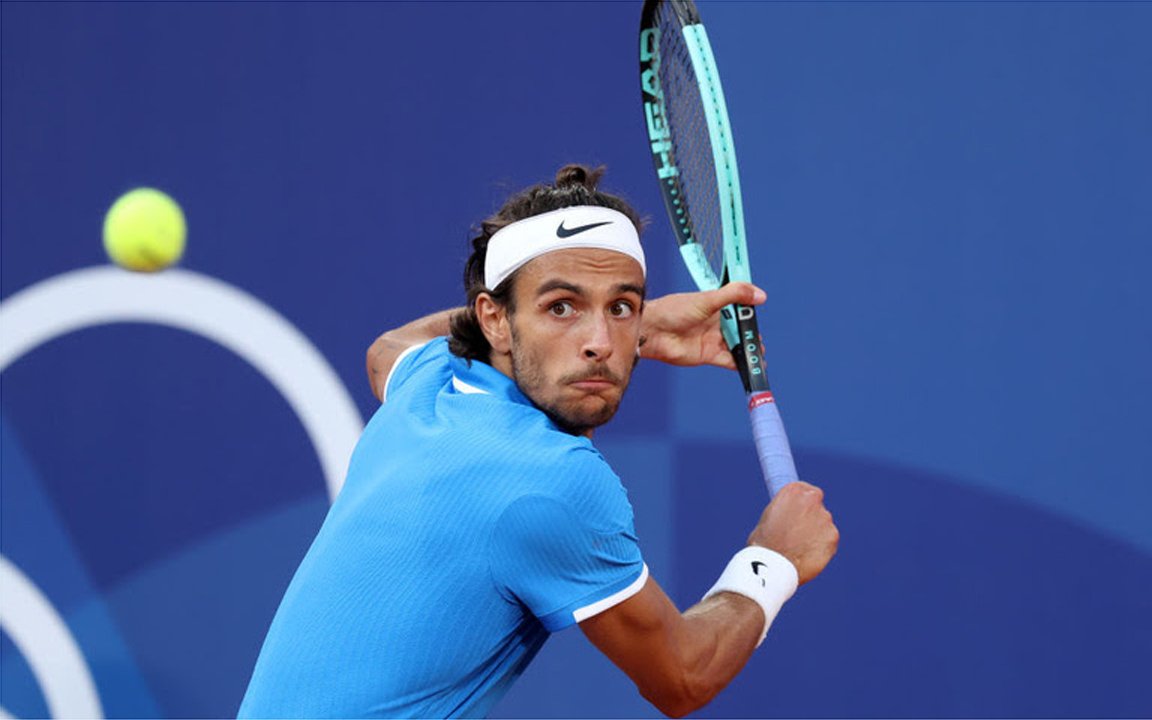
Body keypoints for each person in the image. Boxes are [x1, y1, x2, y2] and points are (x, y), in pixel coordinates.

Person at [238, 165, 838, 719]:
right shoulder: (551, 480)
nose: (599, 340)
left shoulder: (430, 386)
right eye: (562, 307)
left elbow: (386, 347)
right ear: (494, 319)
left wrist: (641, 327)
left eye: (621, 306)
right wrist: (774, 557)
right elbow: (681, 677)